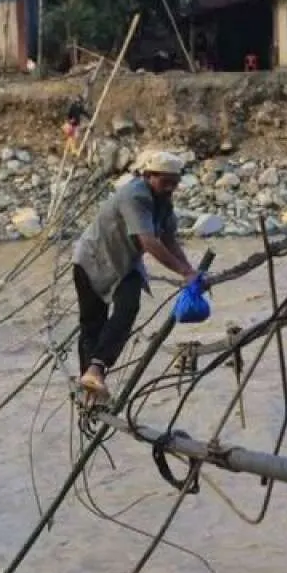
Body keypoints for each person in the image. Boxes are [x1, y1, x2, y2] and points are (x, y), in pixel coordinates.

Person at [71, 150, 197, 404]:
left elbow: (168, 239)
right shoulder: (135, 195)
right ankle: (90, 385)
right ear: (149, 176)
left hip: (125, 266)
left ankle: (96, 371)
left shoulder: (164, 201)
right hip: (93, 260)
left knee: (128, 308)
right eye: (165, 181)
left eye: (175, 181)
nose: (171, 187)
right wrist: (183, 271)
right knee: (92, 324)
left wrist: (191, 271)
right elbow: (149, 242)